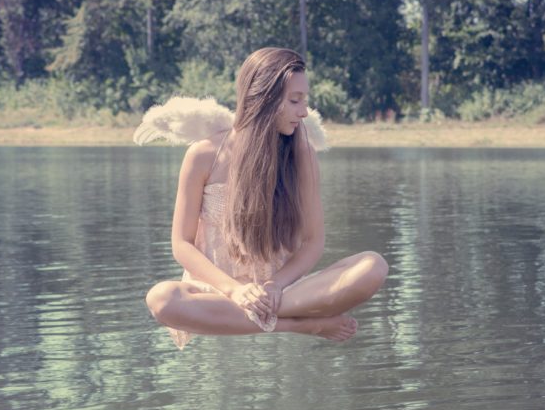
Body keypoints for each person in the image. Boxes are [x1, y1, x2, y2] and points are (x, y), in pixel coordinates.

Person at [144, 47, 388, 349]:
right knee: (161, 299)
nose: (303, 112)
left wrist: (275, 285)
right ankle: (303, 325)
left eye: (305, 101)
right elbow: (181, 244)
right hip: (216, 292)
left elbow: (313, 243)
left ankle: (246, 316)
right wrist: (234, 291)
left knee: (372, 266)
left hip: (281, 292)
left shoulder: (302, 155)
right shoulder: (203, 155)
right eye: (295, 101)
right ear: (263, 98)